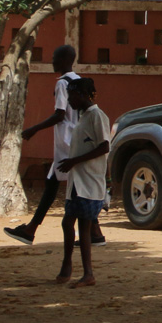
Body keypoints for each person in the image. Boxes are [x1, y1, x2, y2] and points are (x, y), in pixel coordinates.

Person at [6, 45, 104, 246]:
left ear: (64, 60)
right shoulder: (78, 80)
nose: (52, 62)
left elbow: (60, 114)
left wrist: (34, 129)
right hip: (77, 139)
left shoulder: (62, 84)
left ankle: (33, 230)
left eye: (54, 58)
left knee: (70, 185)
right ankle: (93, 233)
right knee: (57, 183)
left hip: (66, 141)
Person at [56, 77, 110, 288]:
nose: (69, 100)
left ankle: (83, 272)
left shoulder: (97, 116)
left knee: (81, 226)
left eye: (72, 95)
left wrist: (74, 161)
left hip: (89, 181)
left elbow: (104, 147)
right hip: (79, 181)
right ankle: (71, 267)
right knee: (71, 223)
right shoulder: (84, 117)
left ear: (83, 95)